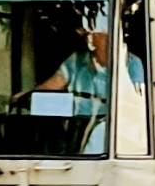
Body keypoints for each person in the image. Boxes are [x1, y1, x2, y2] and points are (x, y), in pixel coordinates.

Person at [23, 19, 144, 153]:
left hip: (111, 137)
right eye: (89, 35)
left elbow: (135, 106)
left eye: (98, 35)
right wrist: (26, 97)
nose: (90, 39)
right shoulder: (76, 61)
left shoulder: (131, 63)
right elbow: (49, 88)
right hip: (75, 133)